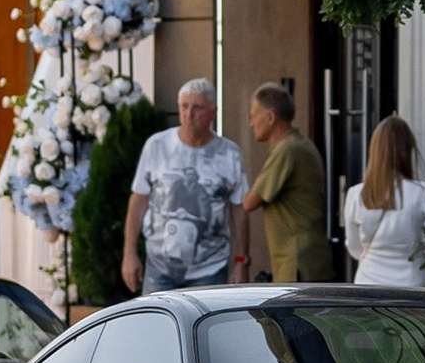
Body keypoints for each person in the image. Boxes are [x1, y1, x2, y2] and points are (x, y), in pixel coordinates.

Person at [123, 81, 245, 295]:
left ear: (213, 112)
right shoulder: (157, 146)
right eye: (184, 106)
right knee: (156, 326)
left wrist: (241, 262)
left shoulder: (229, 153)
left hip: (210, 268)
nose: (189, 114)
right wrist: (129, 253)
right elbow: (139, 200)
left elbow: (239, 210)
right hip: (160, 266)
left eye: (197, 107)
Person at [241, 81, 331, 285]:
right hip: (303, 259)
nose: (251, 123)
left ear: (271, 117)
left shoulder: (286, 150)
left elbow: (250, 202)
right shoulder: (299, 144)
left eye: (254, 114)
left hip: (297, 261)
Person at [343, 116, 425, 285]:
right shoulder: (422, 193)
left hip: (368, 280)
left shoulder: (356, 194)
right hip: (412, 279)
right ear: (408, 150)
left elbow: (354, 247)